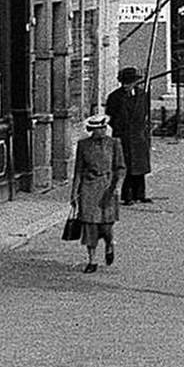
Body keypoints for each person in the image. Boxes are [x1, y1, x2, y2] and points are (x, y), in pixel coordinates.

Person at [70, 114, 125, 273]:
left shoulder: (114, 143)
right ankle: (92, 260)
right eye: (95, 130)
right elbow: (78, 170)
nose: (100, 132)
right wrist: (74, 192)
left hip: (107, 187)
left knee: (107, 226)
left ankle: (109, 244)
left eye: (102, 129)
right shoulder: (83, 145)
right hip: (88, 187)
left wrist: (117, 186)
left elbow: (120, 167)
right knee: (90, 226)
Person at [104, 66, 152, 204]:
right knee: (127, 166)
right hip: (123, 135)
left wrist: (143, 131)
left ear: (135, 82)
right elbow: (111, 117)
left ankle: (140, 194)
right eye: (124, 82)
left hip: (139, 135)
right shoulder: (115, 97)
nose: (126, 85)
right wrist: (120, 129)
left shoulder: (142, 95)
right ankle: (128, 195)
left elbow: (145, 113)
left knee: (140, 166)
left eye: (129, 82)